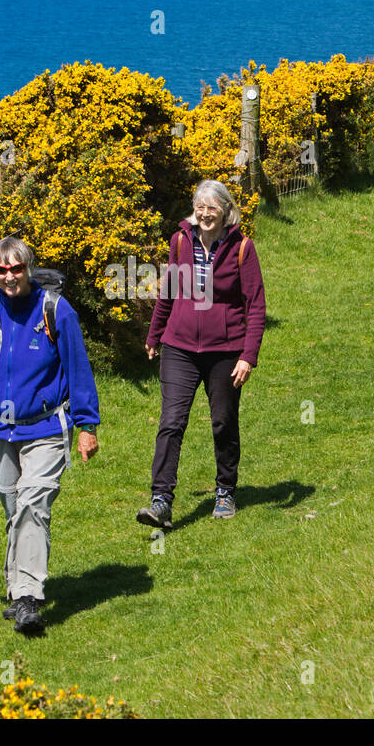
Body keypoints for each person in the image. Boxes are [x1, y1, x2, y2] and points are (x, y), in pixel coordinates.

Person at [0, 237, 100, 634]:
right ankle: (17, 589)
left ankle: (29, 597)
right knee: (13, 507)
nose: (9, 276)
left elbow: (79, 368)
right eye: (1, 270)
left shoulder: (55, 311)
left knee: (33, 503)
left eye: (16, 268)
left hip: (46, 427)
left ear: (29, 268)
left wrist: (87, 425)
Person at [137, 179, 266, 528]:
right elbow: (169, 291)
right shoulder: (180, 240)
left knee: (223, 422)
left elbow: (255, 306)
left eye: (212, 207)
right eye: (200, 207)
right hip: (178, 347)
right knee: (171, 422)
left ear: (226, 211)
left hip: (225, 351)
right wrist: (154, 334)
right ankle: (161, 501)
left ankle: (225, 490)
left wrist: (247, 356)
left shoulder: (243, 249)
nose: (205, 214)